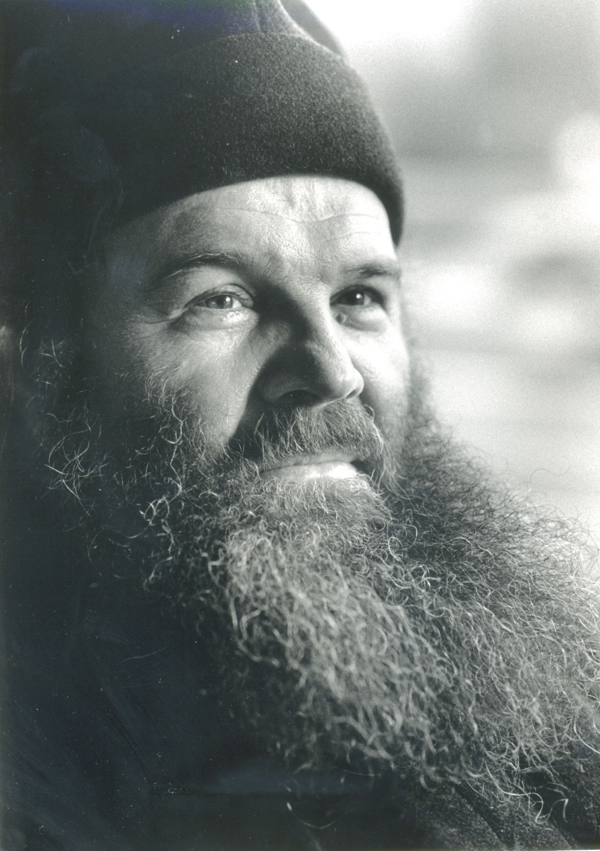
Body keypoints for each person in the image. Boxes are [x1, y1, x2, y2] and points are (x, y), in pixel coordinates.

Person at [1, 1, 600, 849]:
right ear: (37, 363)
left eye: (358, 297)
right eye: (222, 299)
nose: (332, 370)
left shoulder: (549, 732)